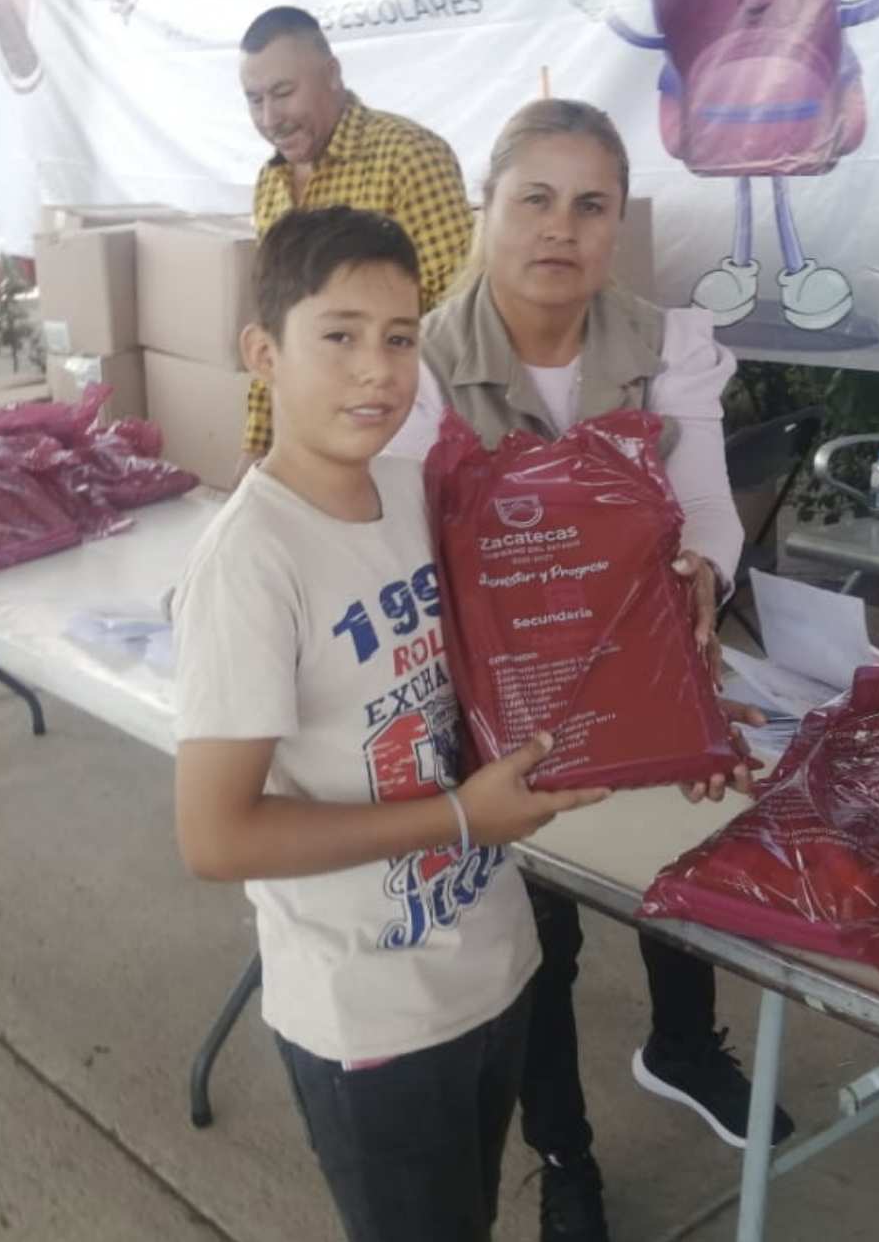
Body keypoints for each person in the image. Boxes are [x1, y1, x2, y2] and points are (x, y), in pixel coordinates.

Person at [386, 99, 790, 1242]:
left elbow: (706, 504)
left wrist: (704, 573)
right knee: (545, 930)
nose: (561, 227)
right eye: (535, 198)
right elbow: (407, 545)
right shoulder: (422, 363)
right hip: (505, 694)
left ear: (617, 224)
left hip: (646, 661)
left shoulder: (667, 345)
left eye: (590, 204)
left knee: (683, 855)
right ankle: (564, 1151)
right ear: (487, 209)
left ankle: (684, 1044)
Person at [174, 205, 606, 1242]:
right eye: (340, 335)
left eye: (401, 337)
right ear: (263, 353)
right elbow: (216, 836)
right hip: (369, 1014)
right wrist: (460, 817)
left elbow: (533, 644)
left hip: (491, 962)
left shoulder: (422, 495)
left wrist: (666, 681)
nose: (377, 369)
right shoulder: (250, 562)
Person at [235, 6, 474, 476]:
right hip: (310, 449)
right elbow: (279, 330)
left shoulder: (407, 157)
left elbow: (455, 319)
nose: (270, 117)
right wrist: (255, 449)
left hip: (399, 440)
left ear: (332, 75)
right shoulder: (270, 185)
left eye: (283, 93)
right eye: (254, 99)